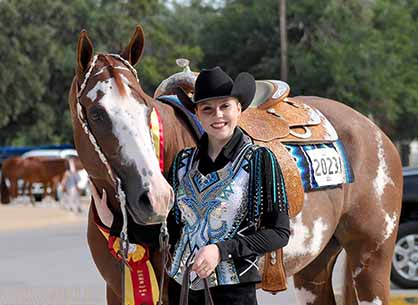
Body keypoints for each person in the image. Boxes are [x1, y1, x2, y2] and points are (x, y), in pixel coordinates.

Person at [166, 67, 290, 305]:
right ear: (197, 115)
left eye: (225, 106)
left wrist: (221, 251)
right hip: (180, 290)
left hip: (234, 293)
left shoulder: (259, 160)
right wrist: (114, 219)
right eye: (207, 109)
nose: (217, 115)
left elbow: (279, 233)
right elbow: (171, 229)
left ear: (239, 109)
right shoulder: (182, 162)